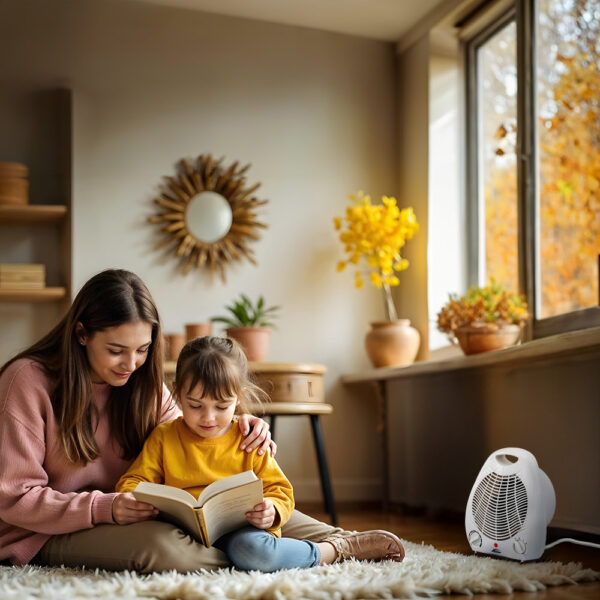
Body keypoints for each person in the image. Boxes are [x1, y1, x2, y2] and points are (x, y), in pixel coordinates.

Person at [0, 268, 402, 573]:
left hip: (133, 510)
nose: (132, 364)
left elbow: (191, 433)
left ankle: (338, 543)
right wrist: (105, 508)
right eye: (117, 350)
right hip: (47, 530)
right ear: (81, 334)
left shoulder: (141, 382)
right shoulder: (27, 381)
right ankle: (259, 557)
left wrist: (243, 427)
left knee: (260, 509)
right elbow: (13, 498)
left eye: (143, 349)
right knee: (170, 551)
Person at [116, 336, 405, 572]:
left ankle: (333, 550)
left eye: (221, 406)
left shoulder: (247, 438)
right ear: (177, 394)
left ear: (238, 398)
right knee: (162, 554)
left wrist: (272, 510)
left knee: (253, 552)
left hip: (241, 531)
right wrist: (133, 500)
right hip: (181, 533)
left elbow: (280, 490)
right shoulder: (164, 437)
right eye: (195, 405)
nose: (208, 417)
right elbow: (133, 481)